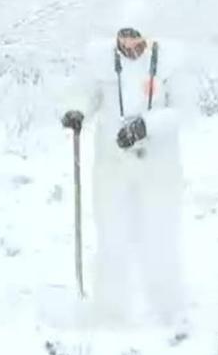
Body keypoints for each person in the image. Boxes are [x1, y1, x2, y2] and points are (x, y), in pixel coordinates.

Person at [61, 25, 191, 331]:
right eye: (124, 35)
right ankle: (111, 311)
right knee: (112, 236)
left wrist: (147, 126)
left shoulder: (170, 60)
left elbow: (184, 110)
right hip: (112, 165)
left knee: (159, 234)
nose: (129, 43)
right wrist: (76, 110)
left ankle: (166, 309)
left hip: (158, 166)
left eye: (135, 36)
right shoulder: (100, 60)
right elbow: (84, 93)